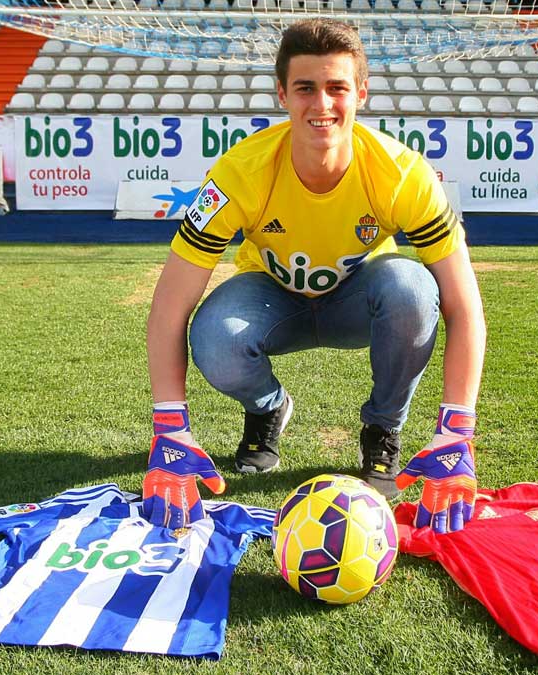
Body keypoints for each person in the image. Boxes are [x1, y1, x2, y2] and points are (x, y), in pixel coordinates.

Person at [140, 19, 486, 535]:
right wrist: (169, 424)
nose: (321, 104)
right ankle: (268, 409)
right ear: (282, 94)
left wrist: (457, 429)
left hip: (361, 301)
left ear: (360, 94)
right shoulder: (237, 176)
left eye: (336, 88)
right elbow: (170, 305)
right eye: (305, 88)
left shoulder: (403, 174)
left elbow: (464, 306)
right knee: (215, 335)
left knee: (413, 288)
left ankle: (383, 430)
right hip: (273, 301)